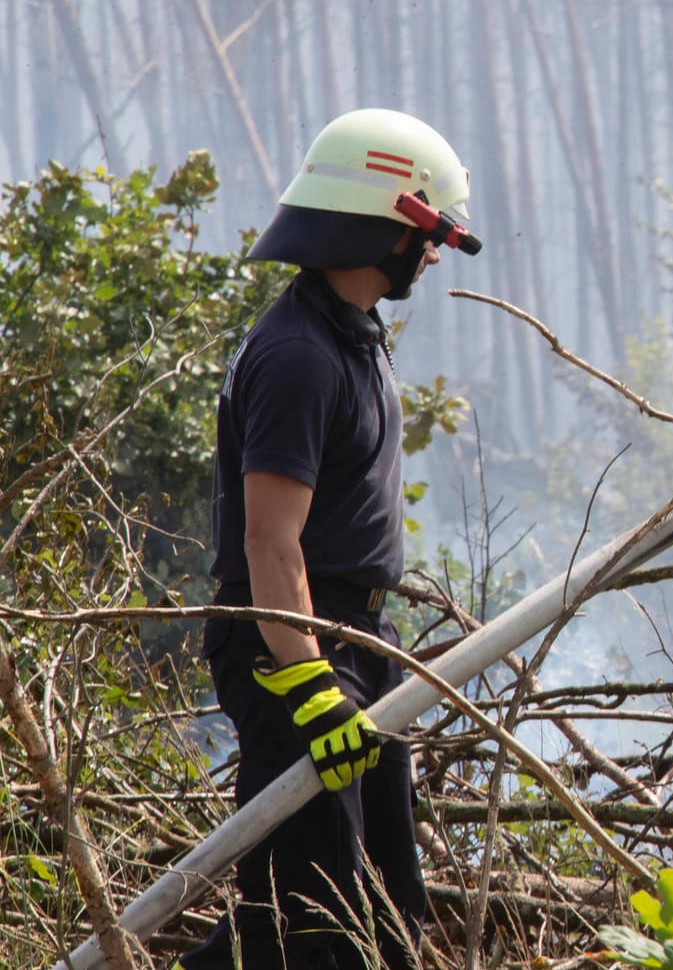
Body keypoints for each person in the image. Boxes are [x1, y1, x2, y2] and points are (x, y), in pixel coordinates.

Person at [179, 109, 483, 970]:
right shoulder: (298, 356)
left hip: (355, 641)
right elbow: (271, 541)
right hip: (296, 644)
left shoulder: (350, 341)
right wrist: (308, 681)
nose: (432, 253)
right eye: (430, 235)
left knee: (381, 908)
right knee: (314, 920)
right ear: (388, 222)